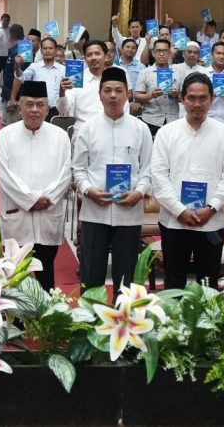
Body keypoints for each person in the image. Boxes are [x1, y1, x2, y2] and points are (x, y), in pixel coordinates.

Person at [151, 72, 224, 289]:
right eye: (192, 98)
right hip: (174, 221)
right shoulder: (166, 133)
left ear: (211, 99)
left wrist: (211, 207)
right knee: (174, 282)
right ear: (182, 98)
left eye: (203, 98)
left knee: (208, 283)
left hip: (211, 220)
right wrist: (178, 209)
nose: (197, 104)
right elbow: (158, 176)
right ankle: (173, 324)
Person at [72, 67, 153, 299]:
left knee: (126, 273)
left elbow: (148, 169)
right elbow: (78, 169)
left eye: (119, 90)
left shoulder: (141, 129)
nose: (113, 95)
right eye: (107, 90)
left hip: (129, 212)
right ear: (100, 94)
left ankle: (124, 322)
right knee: (92, 272)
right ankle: (91, 322)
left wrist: (139, 192)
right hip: (94, 211)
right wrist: (88, 190)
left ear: (128, 94)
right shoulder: (87, 129)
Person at [0, 81, 72, 292]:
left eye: (40, 104)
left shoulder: (60, 136)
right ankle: (16, 322)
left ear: (48, 109)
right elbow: (4, 174)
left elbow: (66, 172)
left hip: (49, 212)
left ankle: (45, 321)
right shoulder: (6, 135)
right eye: (29, 104)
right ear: (19, 108)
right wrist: (31, 200)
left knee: (46, 273)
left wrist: (48, 198)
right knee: (15, 275)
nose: (35, 109)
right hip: (16, 213)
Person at [57, 40, 109, 134]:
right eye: (89, 55)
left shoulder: (113, 78)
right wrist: (62, 92)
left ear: (105, 56)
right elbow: (63, 111)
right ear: (85, 58)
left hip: (108, 131)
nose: (93, 58)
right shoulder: (76, 79)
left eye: (97, 54)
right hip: (83, 132)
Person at [135, 38, 183, 135]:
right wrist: (151, 95)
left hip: (172, 120)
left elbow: (184, 98)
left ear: (169, 53)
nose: (161, 54)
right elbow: (137, 96)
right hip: (151, 119)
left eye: (164, 51)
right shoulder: (145, 72)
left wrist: (176, 95)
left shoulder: (178, 72)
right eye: (158, 51)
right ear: (153, 53)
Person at [12, 36, 65, 120]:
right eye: (45, 48)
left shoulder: (63, 69)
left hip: (56, 111)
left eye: (51, 48)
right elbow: (21, 78)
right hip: (37, 110)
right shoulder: (34, 66)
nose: (48, 50)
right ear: (41, 51)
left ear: (55, 50)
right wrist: (17, 67)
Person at [0, 24, 25, 126]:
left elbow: (19, 77)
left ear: (11, 36)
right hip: (11, 94)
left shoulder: (20, 51)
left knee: (12, 125)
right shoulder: (15, 49)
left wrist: (12, 98)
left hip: (15, 97)